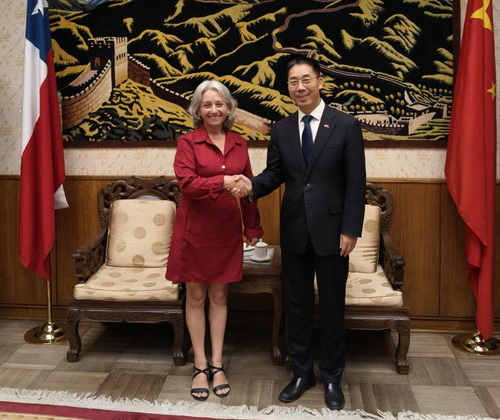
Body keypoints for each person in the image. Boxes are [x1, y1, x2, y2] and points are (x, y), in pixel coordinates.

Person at [234, 56, 366, 410]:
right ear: (288, 87)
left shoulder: (346, 125)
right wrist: (251, 186)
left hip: (333, 233)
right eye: (293, 82)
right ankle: (302, 372)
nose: (300, 87)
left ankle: (333, 377)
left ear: (320, 82)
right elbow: (275, 173)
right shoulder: (282, 129)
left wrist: (350, 229)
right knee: (297, 306)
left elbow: (356, 183)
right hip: (294, 231)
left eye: (306, 79)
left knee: (333, 307)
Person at [166, 80, 263, 402]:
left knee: (219, 297)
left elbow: (247, 188)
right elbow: (187, 184)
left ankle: (217, 364)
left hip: (226, 228)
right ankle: (199, 364)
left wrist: (253, 227)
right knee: (195, 297)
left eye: (219, 104)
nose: (213, 109)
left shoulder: (240, 143)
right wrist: (223, 181)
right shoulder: (187, 142)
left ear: (228, 108)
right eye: (207, 104)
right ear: (197, 110)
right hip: (194, 229)